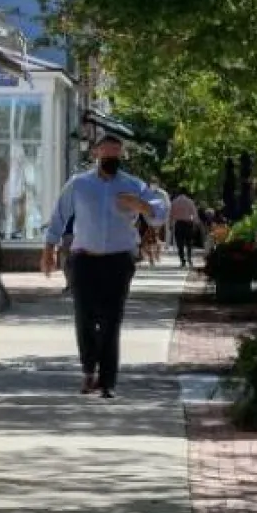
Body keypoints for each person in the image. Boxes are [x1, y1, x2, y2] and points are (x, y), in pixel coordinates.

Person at [41, 134, 168, 398]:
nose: (111, 157)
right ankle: (89, 370)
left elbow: (160, 210)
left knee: (112, 320)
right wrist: (49, 250)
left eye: (116, 153)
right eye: (107, 152)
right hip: (84, 259)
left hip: (118, 260)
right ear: (96, 153)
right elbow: (59, 216)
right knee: (84, 316)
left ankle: (107, 381)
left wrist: (142, 205)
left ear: (121, 156)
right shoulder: (79, 184)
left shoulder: (133, 185)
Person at [170, 189, 201, 268]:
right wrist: (196, 223)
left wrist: (171, 224)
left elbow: (171, 214)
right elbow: (194, 213)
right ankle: (189, 258)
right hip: (188, 224)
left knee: (179, 243)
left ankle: (182, 260)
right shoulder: (190, 201)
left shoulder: (174, 201)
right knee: (189, 243)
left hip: (178, 224)